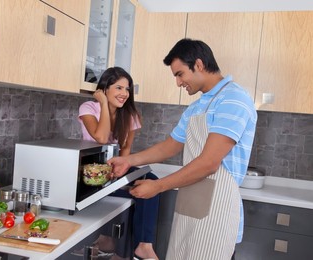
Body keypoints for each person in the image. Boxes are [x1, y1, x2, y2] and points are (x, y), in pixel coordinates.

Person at [108, 39, 257, 260]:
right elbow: (171, 145)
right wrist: (129, 161)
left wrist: (158, 186)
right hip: (191, 200)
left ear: (198, 64)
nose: (178, 83)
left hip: (218, 208)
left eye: (180, 74)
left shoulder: (234, 98)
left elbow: (209, 163)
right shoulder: (197, 106)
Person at [78, 67, 160, 260]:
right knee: (133, 195)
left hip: (116, 167)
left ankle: (144, 245)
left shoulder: (130, 115)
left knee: (151, 183)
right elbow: (101, 137)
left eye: (127, 89)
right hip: (90, 171)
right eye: (119, 88)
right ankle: (113, 247)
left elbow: (125, 151)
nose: (124, 93)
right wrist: (104, 105)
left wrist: (121, 172)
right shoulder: (89, 108)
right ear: (105, 89)